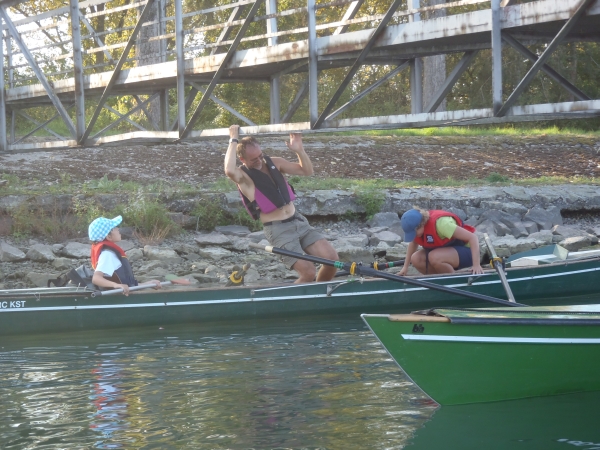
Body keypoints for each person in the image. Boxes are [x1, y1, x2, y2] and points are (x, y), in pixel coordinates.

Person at [224, 124, 339, 283]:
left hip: (299, 222)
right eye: (253, 159)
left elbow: (307, 171)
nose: (259, 160)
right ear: (242, 159)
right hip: (278, 230)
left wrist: (299, 150)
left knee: (332, 260)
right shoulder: (244, 177)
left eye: (260, 155)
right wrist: (233, 139)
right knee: (308, 272)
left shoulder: (275, 163)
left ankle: (319, 295)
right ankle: (295, 302)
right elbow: (229, 170)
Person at [397, 208, 484, 276]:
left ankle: (453, 280)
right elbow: (413, 244)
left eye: (414, 233)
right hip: (446, 253)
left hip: (467, 252)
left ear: (421, 224)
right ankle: (437, 279)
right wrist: (405, 267)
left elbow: (473, 238)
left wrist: (476, 265)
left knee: (434, 257)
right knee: (416, 258)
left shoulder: (441, 224)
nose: (414, 236)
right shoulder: (418, 231)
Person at [88, 215, 161, 295]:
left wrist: (149, 284)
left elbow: (127, 285)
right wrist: (116, 286)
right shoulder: (107, 254)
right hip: (118, 297)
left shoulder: (110, 253)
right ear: (109, 236)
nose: (118, 229)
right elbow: (96, 278)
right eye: (114, 227)